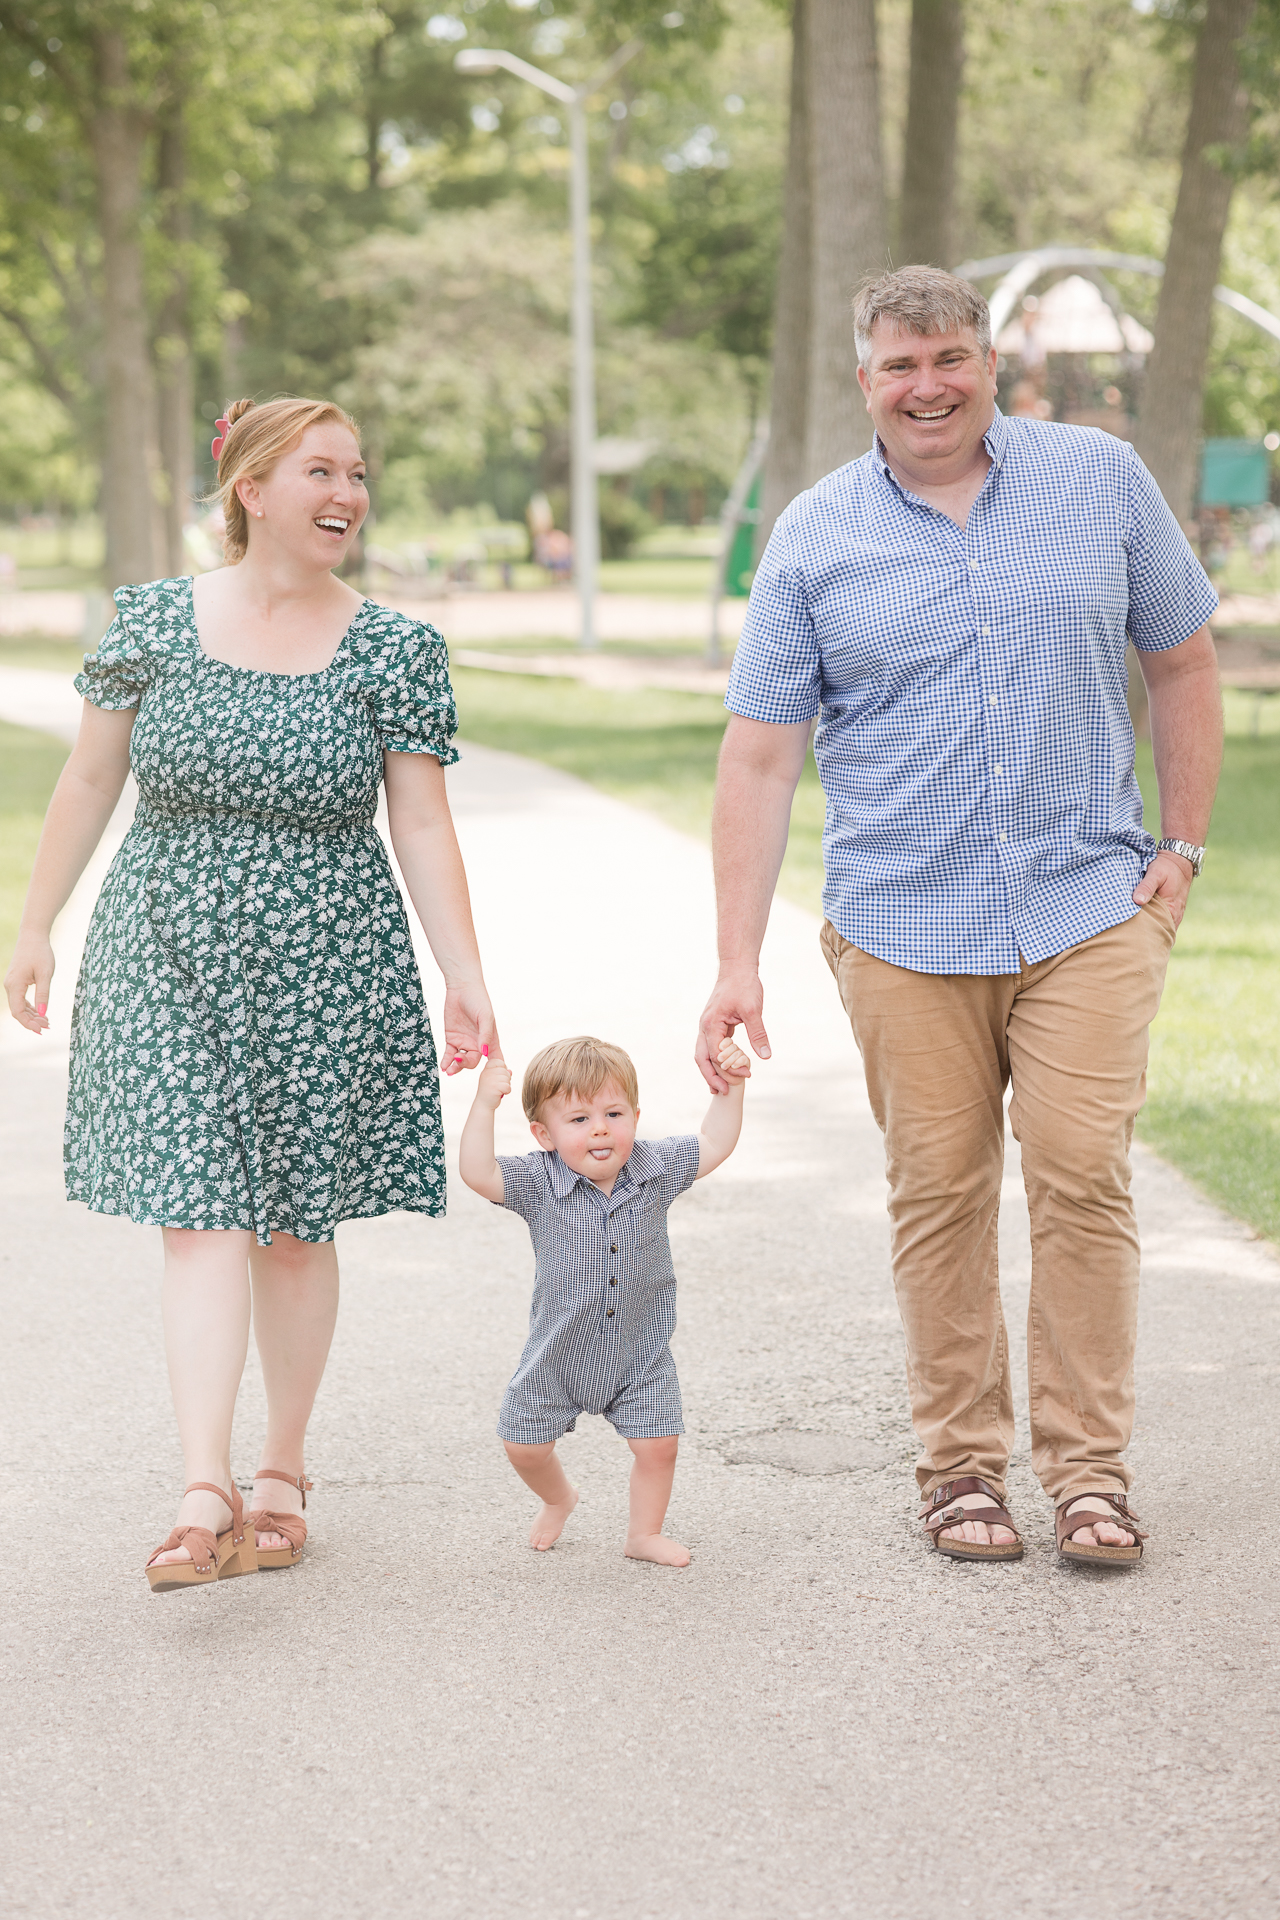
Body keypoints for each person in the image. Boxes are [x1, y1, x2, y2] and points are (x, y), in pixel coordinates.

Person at [696, 266, 1222, 1569]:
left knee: (1082, 1174)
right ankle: (960, 1471)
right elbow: (760, 759)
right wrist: (735, 961)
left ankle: (1091, 1473)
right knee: (939, 1193)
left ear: (991, 362)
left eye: (949, 357)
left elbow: (1183, 658)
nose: (926, 385)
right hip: (900, 921)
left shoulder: (1098, 484)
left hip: (1088, 902)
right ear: (862, 378)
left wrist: (1182, 844)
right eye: (898, 364)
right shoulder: (813, 534)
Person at [4, 396, 497, 1591]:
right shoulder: (152, 624)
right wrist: (34, 924)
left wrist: (465, 976)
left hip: (328, 956)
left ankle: (280, 1467)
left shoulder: (391, 647)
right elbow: (85, 780)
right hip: (165, 946)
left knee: (291, 1228)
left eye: (359, 475)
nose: (348, 495)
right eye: (321, 471)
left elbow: (420, 819)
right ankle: (201, 1487)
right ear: (253, 490)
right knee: (202, 1213)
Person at [459, 1033, 750, 1566]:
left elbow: (714, 1143)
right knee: (523, 1445)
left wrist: (730, 1089)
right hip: (560, 1351)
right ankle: (558, 1498)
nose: (599, 1128)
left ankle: (643, 1534)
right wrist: (483, 1103)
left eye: (614, 1113)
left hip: (639, 1349)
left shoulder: (653, 1170)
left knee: (659, 1445)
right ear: (543, 1134)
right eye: (578, 1120)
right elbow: (477, 1173)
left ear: (635, 1117)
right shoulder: (538, 1182)